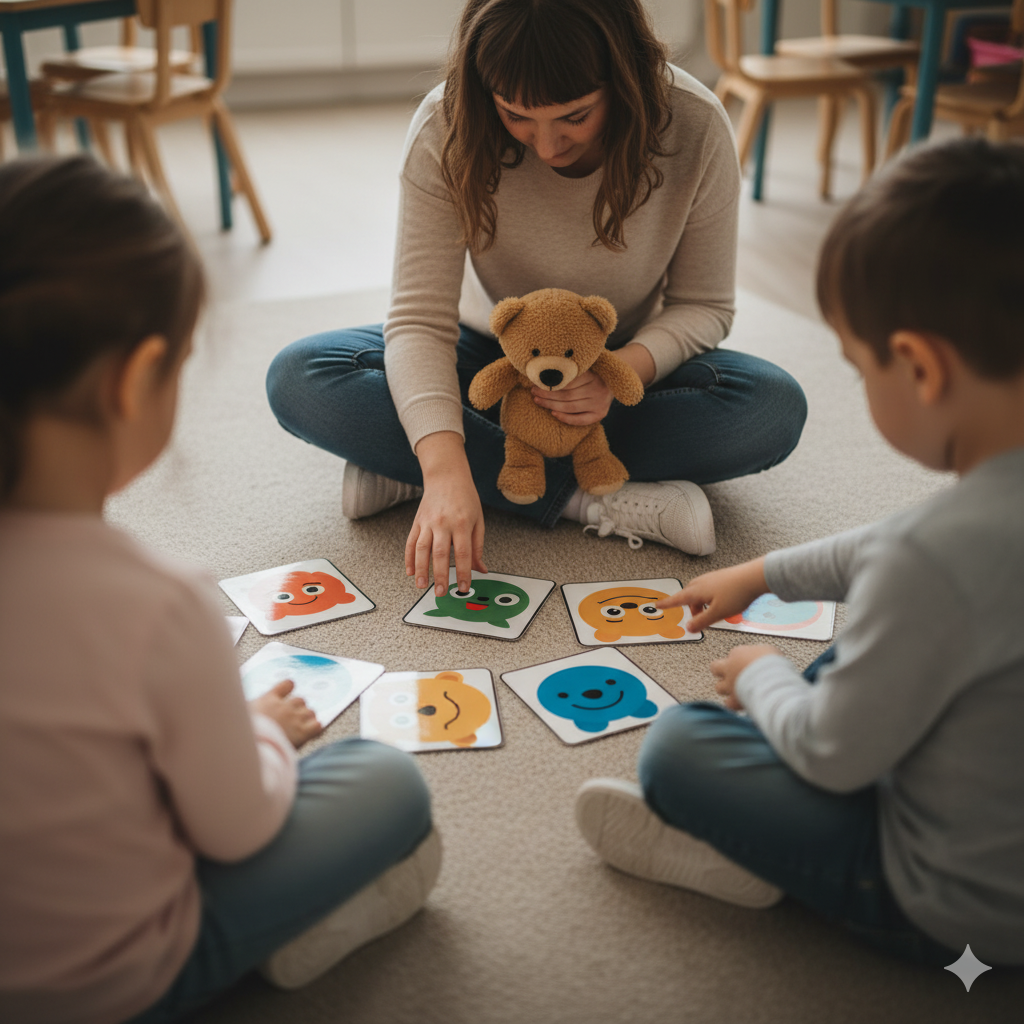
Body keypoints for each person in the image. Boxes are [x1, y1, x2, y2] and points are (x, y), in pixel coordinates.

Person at [0, 156, 440, 1024]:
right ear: (136, 379)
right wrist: (261, 737)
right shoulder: (158, 604)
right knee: (387, 782)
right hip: (109, 980)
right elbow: (235, 829)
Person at [574, 138, 1024, 967]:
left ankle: (749, 857)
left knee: (680, 747)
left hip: (960, 907)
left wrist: (761, 675)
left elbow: (830, 753)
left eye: (859, 369)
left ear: (920, 368)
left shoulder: (935, 562)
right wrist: (765, 572)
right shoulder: (977, 520)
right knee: (880, 644)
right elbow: (904, 547)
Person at [266, 0, 807, 601]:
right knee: (302, 375)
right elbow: (419, 320)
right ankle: (586, 497)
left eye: (574, 116)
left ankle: (424, 470)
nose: (547, 145)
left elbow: (705, 305)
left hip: (617, 366)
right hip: (487, 355)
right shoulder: (446, 125)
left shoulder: (694, 124)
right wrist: (445, 467)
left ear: (622, 79)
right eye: (517, 116)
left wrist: (618, 372)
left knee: (770, 408)